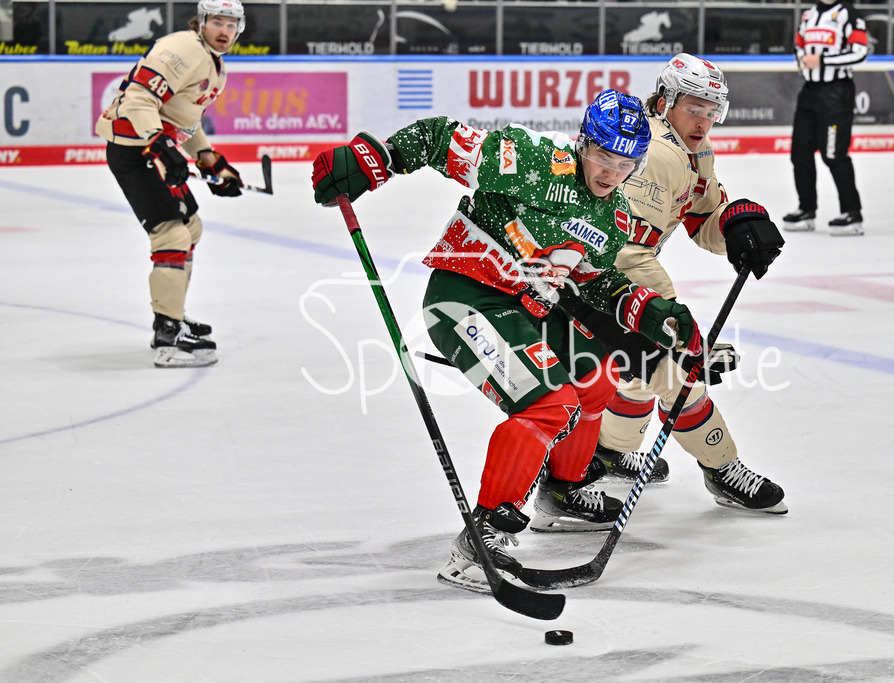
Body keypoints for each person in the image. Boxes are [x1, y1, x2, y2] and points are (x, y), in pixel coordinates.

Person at [311, 90, 722, 593]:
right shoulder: (532, 162)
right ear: (584, 142)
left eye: (625, 164)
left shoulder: (613, 215)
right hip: (467, 294)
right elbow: (440, 139)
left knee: (598, 377)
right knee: (548, 404)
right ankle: (479, 540)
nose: (612, 172)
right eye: (603, 156)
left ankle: (563, 491)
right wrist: (377, 157)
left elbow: (592, 282)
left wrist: (649, 312)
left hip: (532, 306)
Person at [568, 54, 789, 514]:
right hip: (593, 278)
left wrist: (735, 226)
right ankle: (722, 467)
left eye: (713, 111)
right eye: (695, 108)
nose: (704, 122)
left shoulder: (696, 152)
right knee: (677, 373)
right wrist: (665, 314)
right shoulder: (655, 153)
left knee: (640, 372)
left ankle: (609, 452)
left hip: (613, 276)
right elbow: (624, 249)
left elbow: (702, 218)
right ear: (665, 101)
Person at [96, 0, 246, 367]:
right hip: (134, 151)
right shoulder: (182, 48)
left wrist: (209, 159)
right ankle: (168, 334)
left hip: (151, 149)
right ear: (202, 22)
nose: (224, 31)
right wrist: (160, 145)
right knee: (172, 235)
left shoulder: (213, 61)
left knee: (190, 228)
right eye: (217, 22)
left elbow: (184, 121)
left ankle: (172, 315)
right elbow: (138, 98)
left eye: (232, 24)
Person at [782, 0, 869, 237]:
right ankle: (806, 209)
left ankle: (852, 213)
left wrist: (822, 60)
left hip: (837, 92)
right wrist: (802, 59)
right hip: (810, 91)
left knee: (834, 154)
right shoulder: (808, 15)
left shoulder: (849, 14)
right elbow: (798, 44)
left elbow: (860, 52)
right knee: (800, 153)